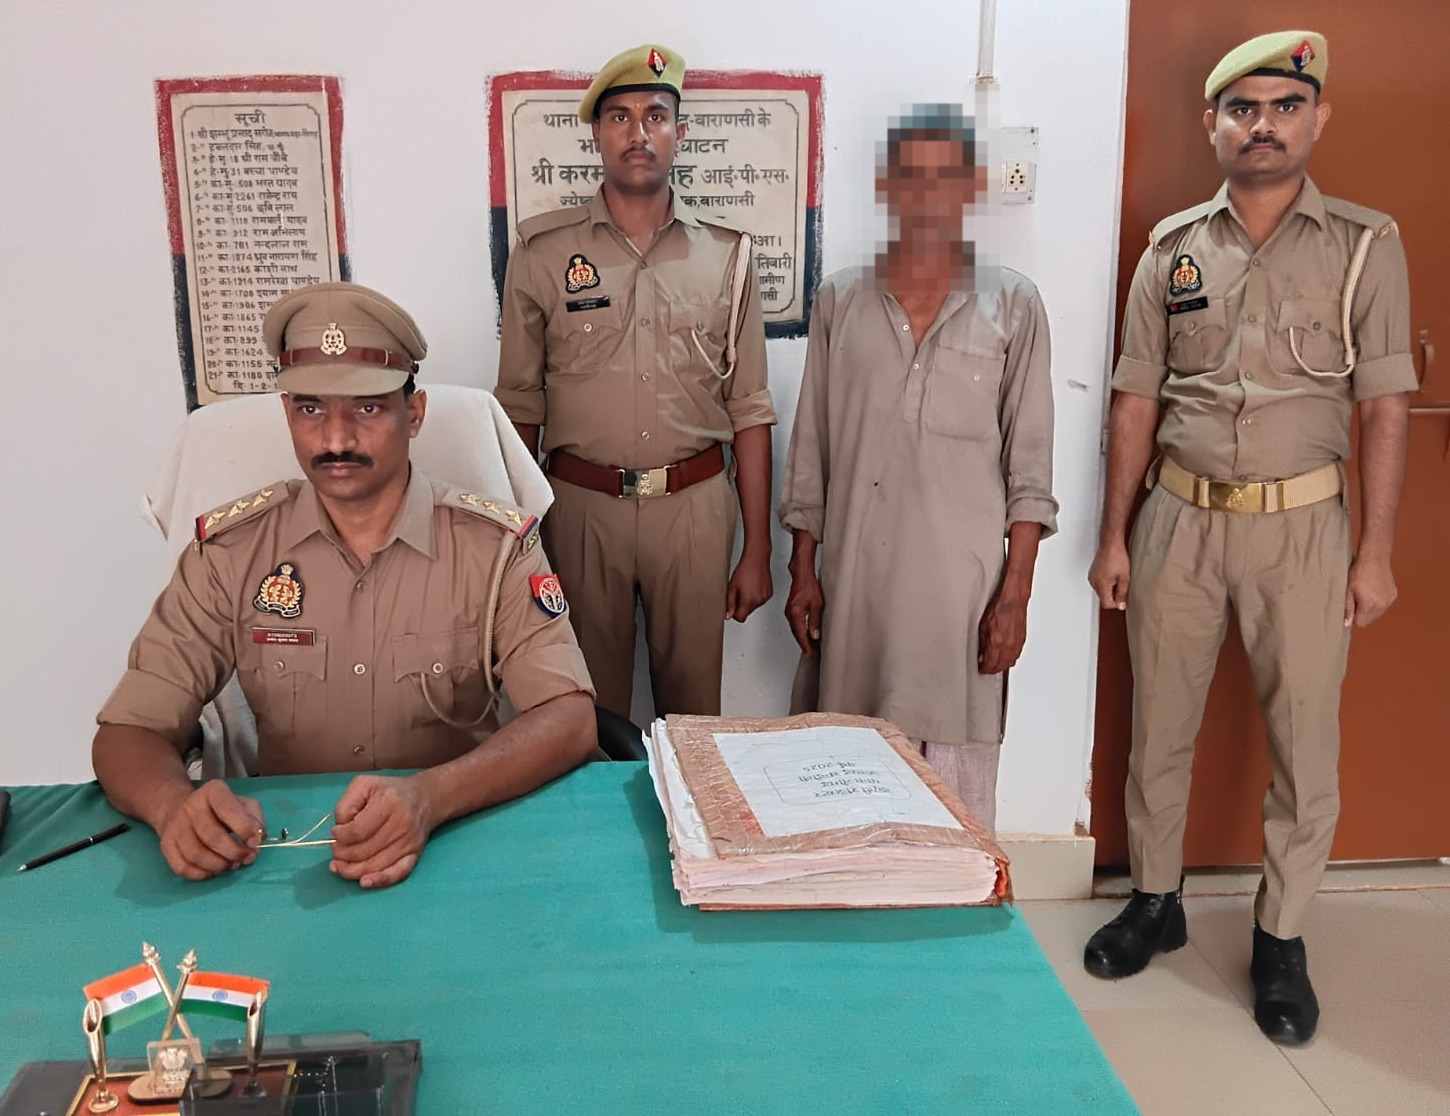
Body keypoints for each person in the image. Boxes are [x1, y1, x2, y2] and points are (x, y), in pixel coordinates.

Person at [1083, 31, 1416, 1045]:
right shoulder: (1171, 247)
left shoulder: (1365, 244)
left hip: (1304, 529)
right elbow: (1136, 397)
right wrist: (1113, 535)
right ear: (1212, 125)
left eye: (1284, 106)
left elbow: (1385, 405)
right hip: (1178, 519)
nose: (1262, 125)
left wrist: (1375, 552)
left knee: (1304, 743)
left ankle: (1280, 936)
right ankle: (1155, 901)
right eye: (1242, 108)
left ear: (1317, 118)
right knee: (1158, 732)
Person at [93, 282, 598, 889]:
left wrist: (431, 797)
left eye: (366, 409)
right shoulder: (230, 553)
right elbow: (128, 730)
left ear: (414, 414)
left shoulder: (495, 548)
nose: (335, 440)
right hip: (285, 857)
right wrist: (172, 805)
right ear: (286, 413)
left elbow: (569, 717)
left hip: (454, 843)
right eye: (311, 409)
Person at [777, 106, 1058, 834]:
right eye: (912, 177)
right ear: (887, 188)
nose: (928, 196)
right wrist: (802, 570)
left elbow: (1030, 470)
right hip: (856, 594)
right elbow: (812, 448)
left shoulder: (1014, 306)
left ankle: (957, 905)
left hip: (961, 603)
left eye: (947, 178)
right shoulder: (841, 299)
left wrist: (1015, 596)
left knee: (954, 813)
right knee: (844, 780)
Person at [496, 43, 775, 720]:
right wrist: (514, 542)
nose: (638, 132)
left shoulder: (727, 254)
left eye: (655, 115)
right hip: (580, 511)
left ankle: (688, 800)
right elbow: (520, 405)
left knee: (694, 717)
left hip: (695, 510)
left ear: (680, 132)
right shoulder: (542, 252)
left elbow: (749, 407)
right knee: (586, 714)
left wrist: (759, 549)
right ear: (597, 135)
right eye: (619, 117)